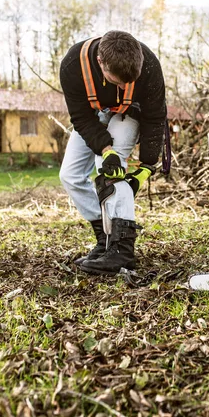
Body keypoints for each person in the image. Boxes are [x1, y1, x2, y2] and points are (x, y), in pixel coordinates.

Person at [59, 30, 166, 275]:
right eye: (117, 81)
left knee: (110, 171)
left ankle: (123, 250)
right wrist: (105, 149)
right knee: (70, 175)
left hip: (131, 113)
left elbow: (155, 117)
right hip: (92, 116)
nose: (123, 86)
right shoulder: (73, 65)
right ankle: (106, 239)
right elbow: (81, 117)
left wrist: (147, 166)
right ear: (100, 61)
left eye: (128, 82)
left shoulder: (149, 65)